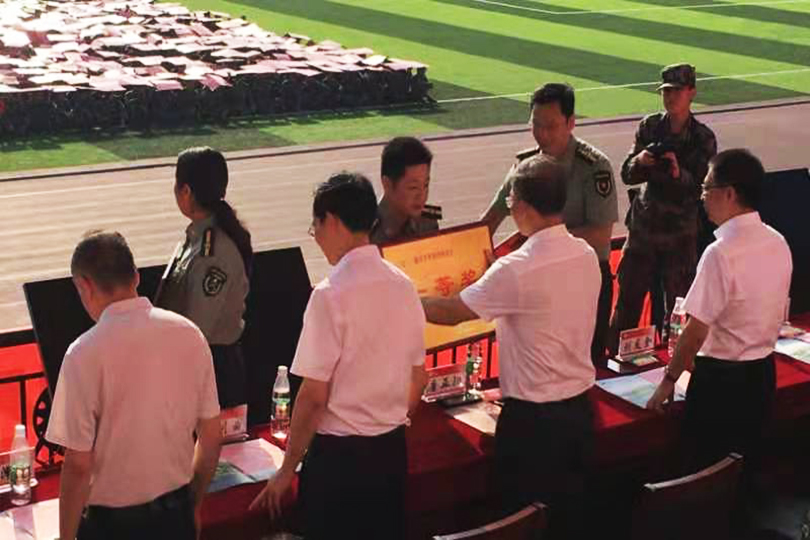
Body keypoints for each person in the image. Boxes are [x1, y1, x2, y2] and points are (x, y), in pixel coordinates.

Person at [425, 156, 600, 539]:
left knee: (521, 523)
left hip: (534, 427)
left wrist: (407, 296)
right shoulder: (585, 255)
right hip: (580, 415)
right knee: (570, 522)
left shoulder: (516, 270)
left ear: (521, 205)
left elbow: (453, 312)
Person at [250, 172, 428, 540]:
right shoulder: (404, 285)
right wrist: (387, 419)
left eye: (315, 226)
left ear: (331, 220)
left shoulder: (330, 295)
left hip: (340, 465)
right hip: (390, 455)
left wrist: (286, 470)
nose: (315, 236)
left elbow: (313, 396)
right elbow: (419, 378)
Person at [46, 231, 221, 540]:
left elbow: (78, 465)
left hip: (113, 527)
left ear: (84, 286)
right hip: (175, 517)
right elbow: (211, 436)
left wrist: (65, 537)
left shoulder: (84, 353)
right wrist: (192, 505)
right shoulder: (189, 334)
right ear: (136, 276)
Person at [647, 149, 792, 475]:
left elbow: (695, 331)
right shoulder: (778, 242)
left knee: (707, 473)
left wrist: (668, 380)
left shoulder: (721, 253)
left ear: (729, 194)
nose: (702, 197)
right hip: (761, 375)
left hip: (720, 385)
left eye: (706, 188)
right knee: (746, 469)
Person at [480, 83, 617, 363]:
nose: (542, 134)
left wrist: (540, 244)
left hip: (583, 281)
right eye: (536, 125)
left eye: (551, 126)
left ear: (571, 122)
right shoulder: (526, 167)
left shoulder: (593, 167)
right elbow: (490, 220)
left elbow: (600, 235)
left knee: (585, 365)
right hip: (538, 284)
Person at [609, 64, 717, 355]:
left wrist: (677, 173)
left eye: (677, 91)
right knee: (628, 302)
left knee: (679, 308)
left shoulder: (703, 138)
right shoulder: (649, 127)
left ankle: (676, 364)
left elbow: (702, 190)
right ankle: (616, 362)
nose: (670, 97)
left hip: (680, 234)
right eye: (666, 91)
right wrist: (642, 160)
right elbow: (627, 174)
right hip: (644, 229)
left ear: (691, 92)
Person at [155, 146, 252, 409]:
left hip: (209, 369)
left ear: (186, 191)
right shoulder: (197, 238)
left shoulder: (214, 252)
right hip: (194, 363)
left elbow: (197, 328)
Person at [370, 136, 442, 246]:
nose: (422, 196)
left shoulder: (428, 219)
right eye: (413, 187)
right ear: (387, 184)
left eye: (426, 185)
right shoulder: (365, 231)